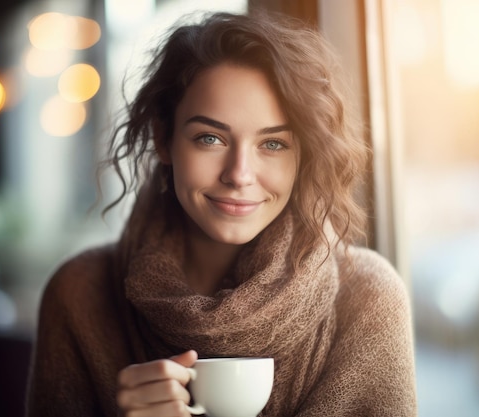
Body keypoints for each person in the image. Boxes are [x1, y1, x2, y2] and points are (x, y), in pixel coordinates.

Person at [25, 10, 417, 417]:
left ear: (305, 154)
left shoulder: (367, 299)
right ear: (163, 139)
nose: (239, 174)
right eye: (209, 138)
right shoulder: (79, 295)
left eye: (273, 144)